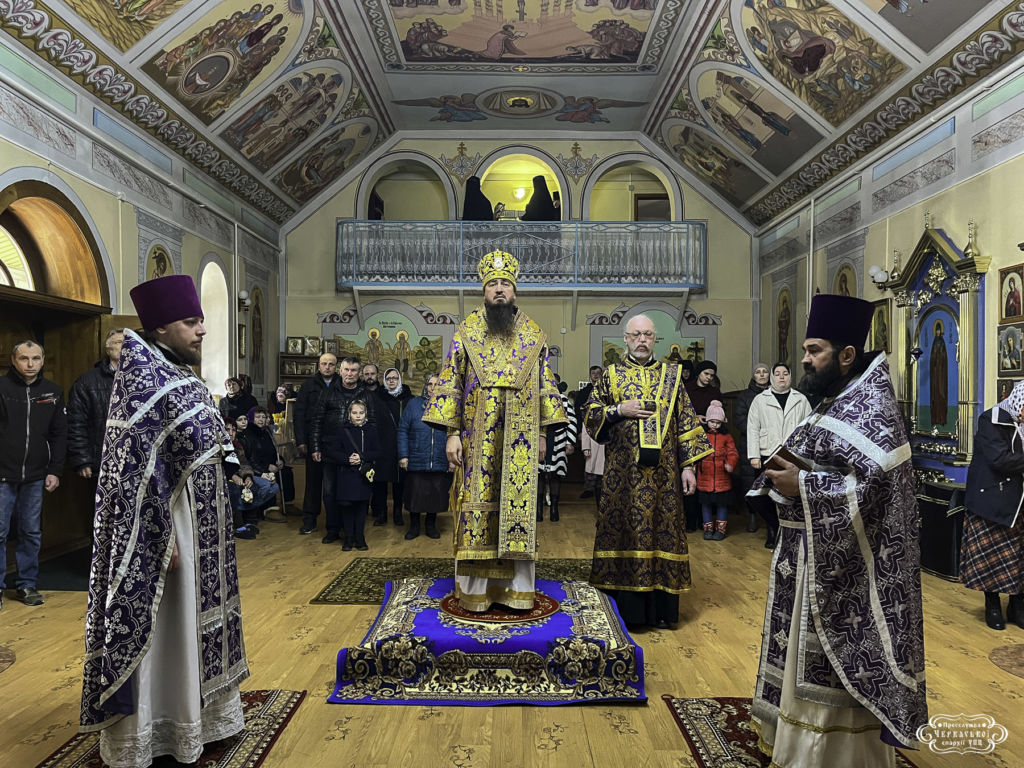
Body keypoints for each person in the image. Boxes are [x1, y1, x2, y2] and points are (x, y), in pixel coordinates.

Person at [749, 293, 927, 767]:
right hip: (812, 554)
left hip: (847, 571)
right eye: (805, 349)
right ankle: (796, 743)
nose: (804, 359)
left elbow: (872, 488)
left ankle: (833, 757)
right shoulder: (839, 398)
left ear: (846, 355)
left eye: (815, 350)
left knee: (830, 668)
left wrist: (801, 483)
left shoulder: (873, 406)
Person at [81, 274, 249, 766]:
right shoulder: (144, 382)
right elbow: (131, 475)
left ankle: (202, 713)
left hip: (203, 528)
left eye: (201, 320)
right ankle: (158, 725)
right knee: (168, 626)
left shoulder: (178, 375)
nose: (201, 331)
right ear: (160, 328)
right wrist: (158, 542)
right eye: (190, 322)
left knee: (194, 623)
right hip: (169, 532)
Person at [423, 250, 566, 612]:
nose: (499, 290)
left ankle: (517, 591)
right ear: (483, 291)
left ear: (515, 291)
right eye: (492, 285)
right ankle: (476, 592)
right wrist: (451, 433)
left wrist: (544, 436)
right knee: (475, 509)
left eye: (505, 284)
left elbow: (546, 384)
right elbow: (451, 381)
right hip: (475, 437)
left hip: (521, 437)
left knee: (516, 511)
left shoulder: (534, 335)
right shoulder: (466, 331)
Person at [584, 314, 712, 629]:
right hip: (622, 477)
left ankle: (662, 612)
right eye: (636, 335)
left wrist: (689, 468)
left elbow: (686, 422)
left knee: (663, 532)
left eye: (648, 335)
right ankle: (625, 611)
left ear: (655, 340)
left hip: (665, 477)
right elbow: (591, 414)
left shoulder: (673, 376)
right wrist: (618, 410)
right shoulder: (610, 376)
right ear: (625, 339)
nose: (642, 340)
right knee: (624, 531)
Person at [0, 340, 67, 609]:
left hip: (37, 475)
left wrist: (55, 470)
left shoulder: (52, 392)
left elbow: (60, 434)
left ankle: (27, 584)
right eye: (24, 358)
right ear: (13, 361)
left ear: (42, 360)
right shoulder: (1, 388)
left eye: (36, 358)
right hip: (2, 473)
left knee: (30, 531)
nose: (30, 364)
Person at [961, 380, 1024, 630]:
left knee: (1019, 558)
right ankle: (993, 605)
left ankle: (1017, 605)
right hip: (993, 501)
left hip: (1019, 503)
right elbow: (1000, 459)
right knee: (991, 558)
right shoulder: (991, 419)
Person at [746, 362, 812, 548]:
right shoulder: (760, 399)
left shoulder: (801, 399)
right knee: (766, 496)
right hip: (767, 453)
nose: (781, 377)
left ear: (790, 377)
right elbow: (753, 428)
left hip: (793, 455)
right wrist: (754, 456)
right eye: (777, 373)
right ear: (772, 377)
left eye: (785, 373)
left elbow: (808, 428)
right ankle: (772, 529)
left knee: (788, 496)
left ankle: (789, 534)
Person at [310, 356, 376, 537]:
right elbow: (317, 421)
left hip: (358, 452)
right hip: (332, 451)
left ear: (359, 373)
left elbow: (373, 426)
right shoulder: (328, 392)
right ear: (340, 371)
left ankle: (353, 532)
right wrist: (315, 447)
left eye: (354, 370)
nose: (350, 374)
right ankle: (332, 529)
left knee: (354, 494)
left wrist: (366, 455)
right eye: (346, 370)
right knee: (330, 492)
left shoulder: (366, 395)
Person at [67, 329, 124, 491]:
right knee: (103, 513)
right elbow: (76, 422)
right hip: (102, 461)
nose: (125, 346)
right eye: (119, 342)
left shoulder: (144, 378)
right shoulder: (87, 381)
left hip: (135, 461)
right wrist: (82, 460)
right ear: (108, 349)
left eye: (129, 343)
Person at [398, 374, 452, 540]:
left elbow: (454, 433)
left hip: (439, 459)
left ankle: (430, 525)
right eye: (430, 384)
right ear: (425, 386)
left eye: (437, 384)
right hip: (416, 457)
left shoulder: (447, 405)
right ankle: (414, 526)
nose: (433, 387)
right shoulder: (413, 404)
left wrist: (452, 459)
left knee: (434, 495)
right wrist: (403, 455)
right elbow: (402, 430)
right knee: (415, 495)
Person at [323, 400, 379, 551]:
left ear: (365, 414)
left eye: (361, 413)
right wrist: (347, 459)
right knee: (347, 507)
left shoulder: (371, 430)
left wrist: (362, 457)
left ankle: (360, 537)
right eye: (355, 413)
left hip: (363, 475)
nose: (358, 416)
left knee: (361, 507)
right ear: (349, 414)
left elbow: (378, 451)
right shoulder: (343, 431)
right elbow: (333, 451)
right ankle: (348, 537)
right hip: (346, 474)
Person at [294, 353, 337, 534]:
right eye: (324, 364)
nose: (327, 367)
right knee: (313, 482)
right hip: (313, 440)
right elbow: (299, 415)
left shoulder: (340, 384)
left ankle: (334, 522)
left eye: (331, 364)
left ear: (336, 366)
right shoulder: (308, 386)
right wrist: (301, 440)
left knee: (334, 483)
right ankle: (309, 519)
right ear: (318, 365)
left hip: (335, 441)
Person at [732, 362, 770, 531]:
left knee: (770, 481)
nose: (762, 375)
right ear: (753, 375)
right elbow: (739, 419)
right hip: (749, 444)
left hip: (770, 445)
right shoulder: (745, 396)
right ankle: (752, 516)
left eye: (765, 372)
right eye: (758, 372)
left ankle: (771, 520)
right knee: (750, 481)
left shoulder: (775, 394)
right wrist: (757, 430)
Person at [225, 419, 277, 539]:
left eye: (233, 430)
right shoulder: (219, 446)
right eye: (228, 429)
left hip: (243, 475)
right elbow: (221, 467)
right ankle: (239, 525)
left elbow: (245, 463)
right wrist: (232, 475)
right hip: (228, 479)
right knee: (237, 489)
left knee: (269, 486)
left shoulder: (237, 445)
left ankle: (250, 519)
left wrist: (248, 476)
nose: (231, 433)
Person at [373, 367, 412, 526]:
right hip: (381, 445)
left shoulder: (408, 398)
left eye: (394, 378)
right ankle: (381, 513)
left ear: (399, 380)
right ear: (384, 380)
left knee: (399, 482)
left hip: (400, 445)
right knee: (380, 481)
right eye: (388, 378)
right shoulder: (377, 398)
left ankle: (397, 512)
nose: (391, 381)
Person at [695, 400, 738, 541]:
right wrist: (694, 465)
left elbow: (733, 453)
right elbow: (696, 452)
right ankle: (707, 529)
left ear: (722, 422)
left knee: (722, 504)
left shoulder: (727, 437)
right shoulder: (701, 435)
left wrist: (730, 464)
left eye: (718, 422)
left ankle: (720, 530)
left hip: (722, 477)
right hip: (704, 476)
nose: (714, 424)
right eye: (712, 421)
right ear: (707, 420)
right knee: (705, 505)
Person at [538, 379, 578, 522]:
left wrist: (569, 442)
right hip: (540, 439)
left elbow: (572, 421)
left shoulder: (564, 400)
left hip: (558, 440)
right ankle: (538, 511)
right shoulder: (537, 397)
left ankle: (554, 510)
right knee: (539, 475)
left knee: (555, 475)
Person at [576, 365, 604, 499]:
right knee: (589, 460)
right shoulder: (583, 392)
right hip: (587, 429)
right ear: (589, 375)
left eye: (598, 373)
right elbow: (578, 413)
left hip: (603, 430)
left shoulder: (606, 390)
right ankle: (588, 488)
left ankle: (601, 489)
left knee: (602, 464)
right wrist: (579, 432)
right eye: (593, 373)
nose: (596, 375)